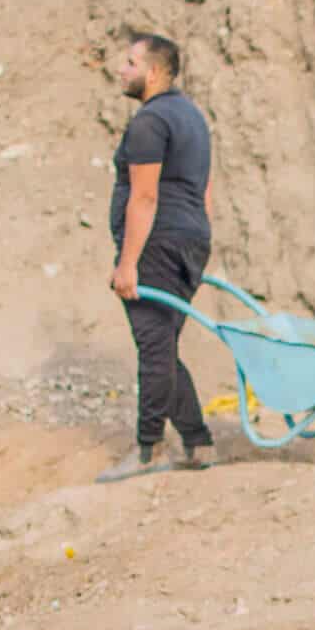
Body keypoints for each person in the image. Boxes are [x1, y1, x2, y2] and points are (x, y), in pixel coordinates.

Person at [99, 28, 219, 482]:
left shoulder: (150, 122)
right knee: (163, 347)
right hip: (190, 240)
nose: (121, 69)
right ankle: (199, 441)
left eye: (130, 63)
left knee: (152, 346)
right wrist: (194, 244)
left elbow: (144, 197)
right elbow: (203, 190)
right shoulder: (192, 117)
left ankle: (148, 450)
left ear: (152, 73)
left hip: (157, 242)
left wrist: (129, 262)